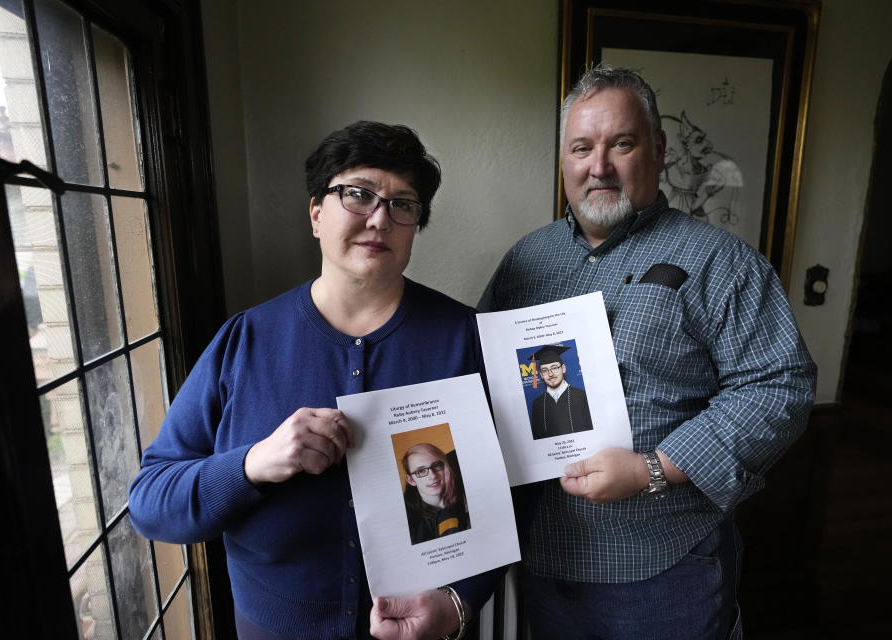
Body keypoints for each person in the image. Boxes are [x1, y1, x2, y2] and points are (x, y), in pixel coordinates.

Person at [478, 64, 817, 639]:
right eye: (581, 148)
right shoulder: (526, 261)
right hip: (546, 559)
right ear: (564, 160)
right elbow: (483, 372)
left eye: (622, 144)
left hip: (664, 571)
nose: (598, 166)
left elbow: (780, 386)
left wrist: (651, 470)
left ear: (658, 150)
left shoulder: (721, 261)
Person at [129, 121, 500, 640]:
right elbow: (151, 503)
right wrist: (255, 463)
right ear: (316, 214)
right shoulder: (245, 341)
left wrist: (459, 604)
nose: (379, 218)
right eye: (358, 194)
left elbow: (510, 493)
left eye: (402, 204)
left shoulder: (466, 339)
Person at [401, 443, 470, 544]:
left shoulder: (463, 475)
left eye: (437, 466)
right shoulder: (412, 528)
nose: (432, 476)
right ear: (411, 480)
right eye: (421, 471)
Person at [527, 344, 593, 439]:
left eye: (554, 368)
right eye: (545, 370)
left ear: (563, 368)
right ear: (541, 374)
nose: (550, 374)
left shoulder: (582, 397)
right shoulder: (537, 404)